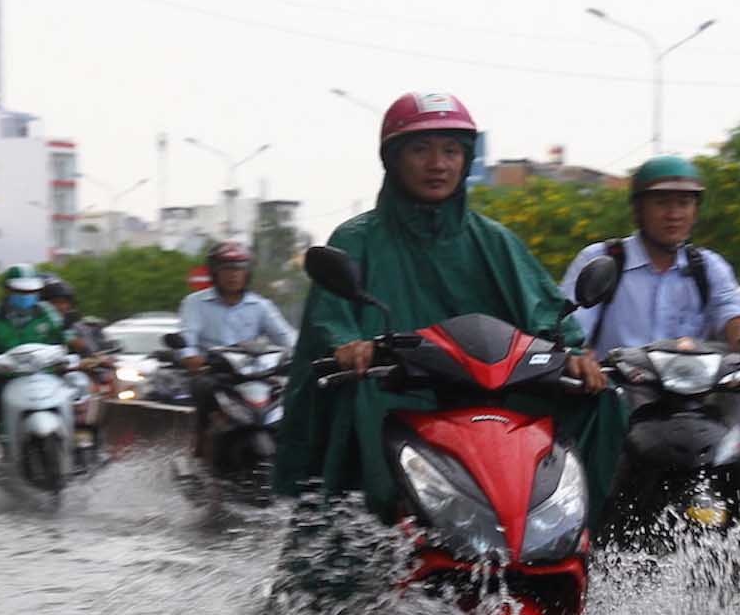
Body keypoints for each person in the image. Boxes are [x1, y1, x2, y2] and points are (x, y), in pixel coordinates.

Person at [273, 90, 624, 522]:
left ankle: (581, 533)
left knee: (602, 399)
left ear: (466, 159)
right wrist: (351, 344)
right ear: (394, 159)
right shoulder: (357, 239)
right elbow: (332, 317)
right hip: (395, 394)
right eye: (420, 149)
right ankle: (353, 551)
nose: (437, 163)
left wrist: (572, 354)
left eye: (451, 150)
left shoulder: (494, 240)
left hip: (488, 399)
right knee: (353, 405)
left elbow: (545, 312)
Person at [560, 155, 740, 384]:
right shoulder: (602, 258)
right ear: (638, 210)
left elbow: (731, 313)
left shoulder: (708, 267)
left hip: (693, 399)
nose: (674, 215)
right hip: (618, 399)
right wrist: (578, 356)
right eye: (662, 203)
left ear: (695, 212)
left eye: (684, 203)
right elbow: (572, 326)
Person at [175, 240, 297, 459]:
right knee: (204, 388)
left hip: (255, 375)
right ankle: (199, 448)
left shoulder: (261, 305)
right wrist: (190, 356)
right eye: (227, 269)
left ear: (247, 273)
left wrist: (300, 355)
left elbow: (286, 337)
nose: (233, 275)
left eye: (239, 269)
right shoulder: (195, 303)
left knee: (290, 394)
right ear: (214, 273)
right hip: (214, 373)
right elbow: (187, 338)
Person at [0, 263, 67, 445]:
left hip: (45, 374)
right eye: (20, 291)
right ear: (7, 290)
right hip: (7, 377)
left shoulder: (47, 312)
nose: (26, 296)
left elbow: (64, 334)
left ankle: (71, 440)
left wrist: (74, 348)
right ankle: (6, 443)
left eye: (30, 292)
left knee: (71, 389)